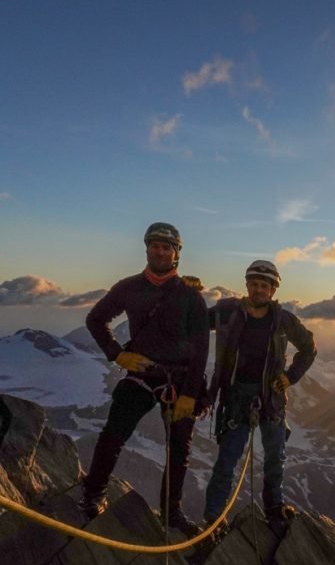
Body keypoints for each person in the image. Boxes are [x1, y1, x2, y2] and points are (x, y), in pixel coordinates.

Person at [80, 222, 209, 536]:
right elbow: (95, 319)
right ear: (147, 248)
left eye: (167, 247)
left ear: (177, 253)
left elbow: (200, 347)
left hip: (178, 380)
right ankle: (93, 495)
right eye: (156, 246)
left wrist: (191, 393)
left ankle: (171, 512)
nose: (161, 251)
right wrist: (117, 354)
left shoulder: (190, 295)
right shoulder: (128, 287)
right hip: (141, 373)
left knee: (179, 450)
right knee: (113, 436)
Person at [202, 260, 316, 536]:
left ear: (273, 289)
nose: (258, 290)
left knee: (275, 457)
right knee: (227, 460)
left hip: (271, 398)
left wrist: (290, 377)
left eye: (265, 285)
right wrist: (188, 291)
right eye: (254, 284)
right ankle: (213, 520)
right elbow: (196, 321)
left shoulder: (283, 320)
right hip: (238, 396)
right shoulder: (229, 311)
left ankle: (273, 509)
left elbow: (308, 348)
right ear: (247, 285)